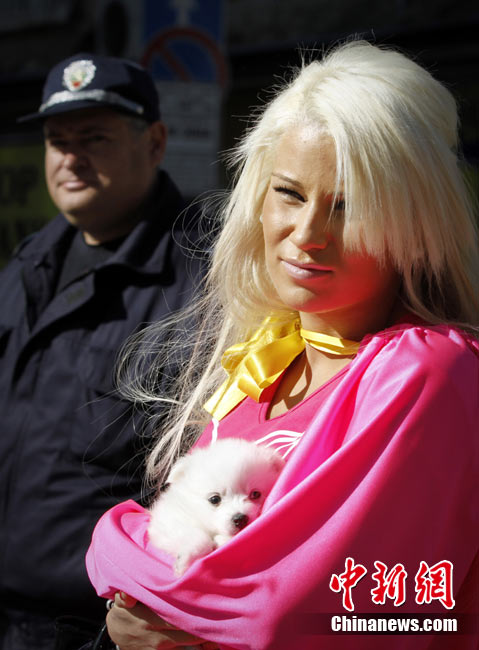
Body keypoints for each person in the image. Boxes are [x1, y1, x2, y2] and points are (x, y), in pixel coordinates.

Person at [86, 40, 479, 650]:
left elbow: (321, 614)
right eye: (289, 194)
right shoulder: (262, 361)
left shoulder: (428, 370)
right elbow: (148, 544)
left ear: (416, 224)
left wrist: (161, 597)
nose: (307, 234)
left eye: (349, 206)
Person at [0, 53, 204, 650]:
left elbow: (202, 471)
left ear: (155, 142)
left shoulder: (197, 283)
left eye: (93, 138)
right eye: (57, 141)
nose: (70, 157)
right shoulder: (30, 262)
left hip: (94, 627)